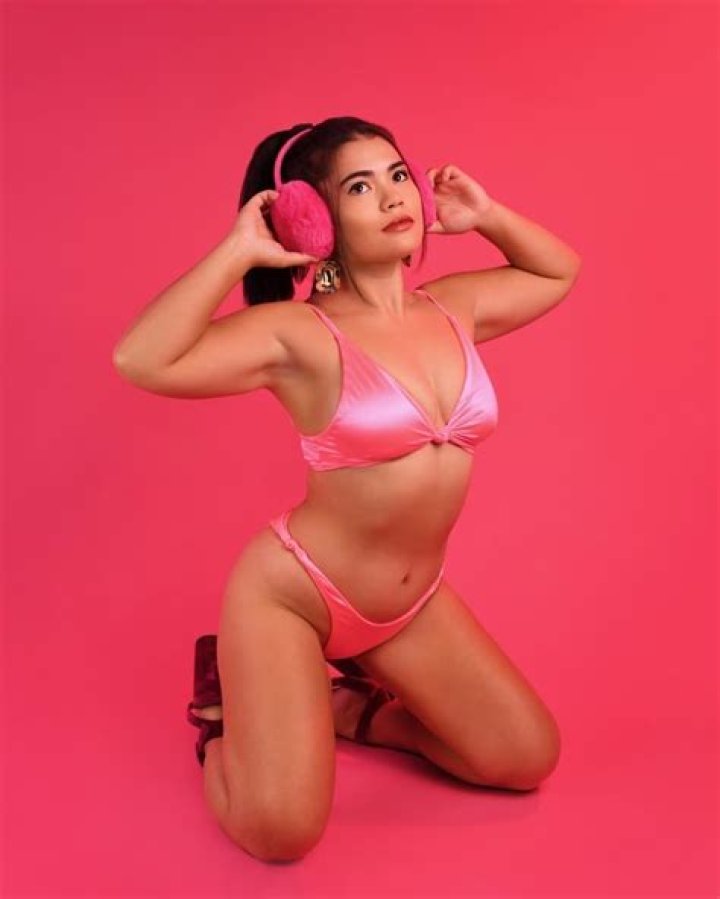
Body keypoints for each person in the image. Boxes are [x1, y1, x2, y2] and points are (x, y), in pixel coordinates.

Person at [113, 115, 581, 862]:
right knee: (282, 833)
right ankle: (223, 718)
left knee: (524, 757)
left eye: (398, 175)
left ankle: (350, 709)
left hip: (407, 605)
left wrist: (487, 215)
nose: (394, 196)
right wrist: (239, 249)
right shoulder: (299, 335)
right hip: (295, 599)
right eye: (360, 187)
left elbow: (557, 271)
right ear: (315, 218)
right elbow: (141, 358)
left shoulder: (453, 307)